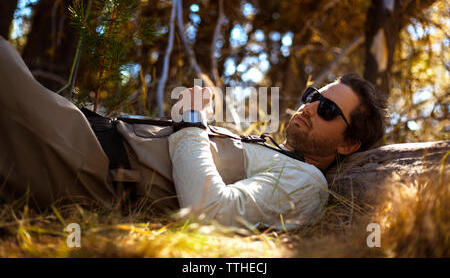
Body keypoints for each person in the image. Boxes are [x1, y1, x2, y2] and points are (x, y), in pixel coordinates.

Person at [0, 36, 387, 230]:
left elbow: (211, 213)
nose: (310, 107)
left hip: (92, 167)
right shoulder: (279, 155)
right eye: (313, 96)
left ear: (349, 142)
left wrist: (190, 122)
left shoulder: (306, 182)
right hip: (89, 137)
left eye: (329, 109)